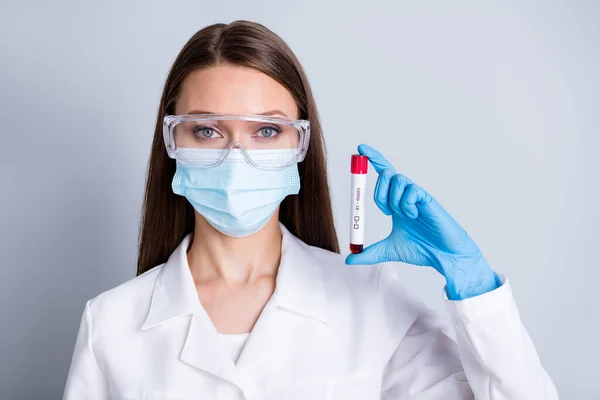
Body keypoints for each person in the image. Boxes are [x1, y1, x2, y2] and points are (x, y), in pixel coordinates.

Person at [64, 20, 558, 399]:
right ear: (172, 140)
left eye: (266, 131)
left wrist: (471, 282)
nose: (237, 158)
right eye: (207, 130)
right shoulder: (111, 324)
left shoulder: (369, 301)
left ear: (301, 145)